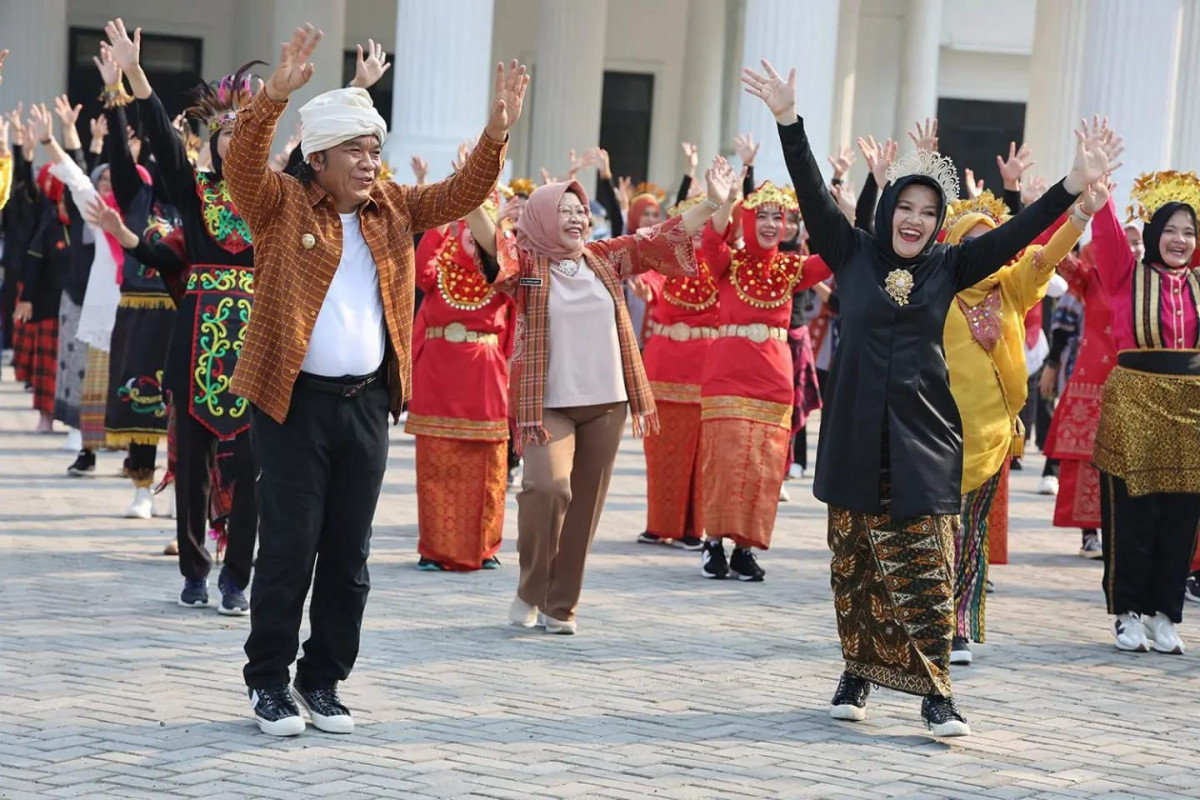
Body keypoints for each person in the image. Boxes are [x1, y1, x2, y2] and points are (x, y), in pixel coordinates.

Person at [744, 59, 1121, 736]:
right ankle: (856, 674)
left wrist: (1070, 183)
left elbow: (1017, 232)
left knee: (927, 571)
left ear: (937, 223)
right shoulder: (850, 252)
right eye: (906, 208)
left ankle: (936, 695)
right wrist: (787, 121)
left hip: (924, 444)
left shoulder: (952, 266)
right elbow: (808, 191)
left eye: (927, 212)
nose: (915, 220)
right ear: (888, 211)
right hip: (856, 441)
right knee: (854, 566)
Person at [224, 24, 524, 736]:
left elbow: (460, 193)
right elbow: (241, 165)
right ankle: (267, 682)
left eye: (376, 149)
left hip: (366, 404)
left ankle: (322, 680)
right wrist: (271, 98)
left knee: (349, 557)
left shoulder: (395, 210)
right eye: (357, 150)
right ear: (319, 157)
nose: (370, 161)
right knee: (290, 549)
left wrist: (495, 132)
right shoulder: (282, 205)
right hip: (291, 404)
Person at [464, 157, 737, 635]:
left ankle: (561, 605)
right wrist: (471, 192)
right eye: (564, 210)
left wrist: (712, 201)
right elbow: (492, 241)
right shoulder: (526, 266)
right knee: (547, 488)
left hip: (607, 401)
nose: (575, 218)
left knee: (585, 506)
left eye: (580, 210)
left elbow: (662, 238)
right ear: (544, 218)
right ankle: (531, 588)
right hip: (547, 402)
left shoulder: (606, 256)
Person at [941, 185, 1099, 666]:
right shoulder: (936, 287)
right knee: (936, 532)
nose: (984, 254)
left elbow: (1045, 256)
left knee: (971, 534)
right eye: (972, 245)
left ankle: (960, 627)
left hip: (991, 438)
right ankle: (927, 617)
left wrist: (1078, 217)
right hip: (935, 436)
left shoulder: (1010, 288)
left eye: (992, 244)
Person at [697, 181, 831, 581]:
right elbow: (710, 240)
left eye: (780, 216)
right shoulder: (728, 263)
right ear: (748, 219)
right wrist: (722, 201)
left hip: (774, 380)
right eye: (764, 216)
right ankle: (713, 543)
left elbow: (835, 256)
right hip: (726, 376)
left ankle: (745, 548)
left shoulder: (793, 268)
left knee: (764, 466)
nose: (773, 224)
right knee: (723, 461)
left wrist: (845, 206)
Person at [1090, 169, 1200, 655]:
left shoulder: (1198, 283)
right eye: (1171, 229)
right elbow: (1109, 231)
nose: (1180, 240)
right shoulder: (1124, 272)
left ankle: (1164, 615)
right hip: (1134, 401)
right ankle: (1127, 612)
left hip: (1191, 405)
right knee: (1134, 513)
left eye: (1189, 232)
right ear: (1154, 234)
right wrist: (1099, 188)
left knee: (1181, 517)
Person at [406, 213, 514, 572]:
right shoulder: (439, 269)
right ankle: (434, 549)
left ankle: (485, 546)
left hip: (485, 378)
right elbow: (420, 268)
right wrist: (445, 216)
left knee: (488, 466)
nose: (474, 236)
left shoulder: (500, 274)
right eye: (468, 228)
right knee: (436, 464)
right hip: (439, 375)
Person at [633, 192, 719, 550]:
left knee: (701, 453)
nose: (697, 230)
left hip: (706, 367)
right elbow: (650, 284)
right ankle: (658, 525)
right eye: (690, 223)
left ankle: (691, 529)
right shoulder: (663, 261)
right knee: (662, 449)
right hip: (664, 365)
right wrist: (643, 291)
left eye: (703, 223)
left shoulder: (721, 263)